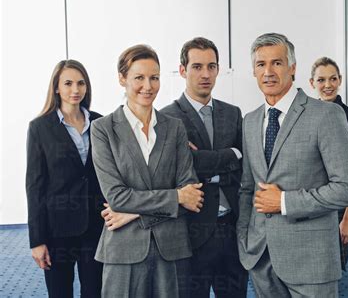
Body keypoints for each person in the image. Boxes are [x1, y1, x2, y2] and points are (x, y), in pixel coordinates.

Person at [236, 32, 348, 298]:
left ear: (292, 68)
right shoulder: (250, 120)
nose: (268, 71)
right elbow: (248, 188)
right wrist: (244, 239)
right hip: (260, 256)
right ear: (254, 71)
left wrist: (284, 202)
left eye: (277, 63)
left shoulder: (326, 115)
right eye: (261, 64)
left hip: (311, 259)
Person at [90, 44, 204, 297]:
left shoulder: (175, 128)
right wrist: (175, 197)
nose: (148, 86)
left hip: (171, 249)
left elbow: (192, 194)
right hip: (123, 250)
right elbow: (117, 197)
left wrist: (133, 215)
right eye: (139, 78)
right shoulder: (103, 129)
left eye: (154, 78)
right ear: (122, 79)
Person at [161, 37, 248, 298]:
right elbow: (182, 166)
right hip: (192, 228)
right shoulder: (167, 117)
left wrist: (207, 162)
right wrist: (230, 154)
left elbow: (244, 164)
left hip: (232, 226)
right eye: (197, 67)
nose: (205, 74)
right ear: (182, 70)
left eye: (211, 66)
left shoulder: (232, 113)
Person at [26, 60, 104, 297]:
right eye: (68, 83)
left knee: (95, 292)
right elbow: (35, 186)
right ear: (57, 88)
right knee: (60, 292)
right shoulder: (40, 128)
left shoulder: (101, 123)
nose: (75, 89)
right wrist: (37, 241)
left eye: (81, 83)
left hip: (95, 227)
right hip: (57, 230)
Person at [309, 56, 348, 270]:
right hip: (312, 202)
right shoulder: (306, 115)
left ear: (340, 80)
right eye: (321, 80)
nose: (328, 85)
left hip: (339, 205)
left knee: (334, 268)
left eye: (333, 79)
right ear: (312, 83)